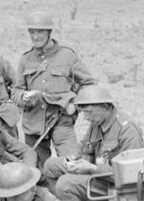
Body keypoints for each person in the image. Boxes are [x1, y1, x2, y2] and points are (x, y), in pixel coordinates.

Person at [43, 85, 144, 201]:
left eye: (89, 112)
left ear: (105, 106)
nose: (85, 117)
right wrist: (73, 160)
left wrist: (92, 168)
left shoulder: (127, 129)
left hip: (115, 184)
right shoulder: (98, 123)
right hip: (98, 173)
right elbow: (84, 145)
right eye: (84, 113)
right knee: (50, 166)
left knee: (65, 184)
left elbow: (130, 175)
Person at [11, 12, 96, 169]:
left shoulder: (67, 55)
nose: (35, 37)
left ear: (49, 33)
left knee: (72, 164)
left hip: (61, 121)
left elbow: (89, 84)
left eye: (40, 32)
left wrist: (74, 105)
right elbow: (16, 90)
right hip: (33, 123)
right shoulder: (26, 59)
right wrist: (24, 96)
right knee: (36, 171)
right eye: (32, 32)